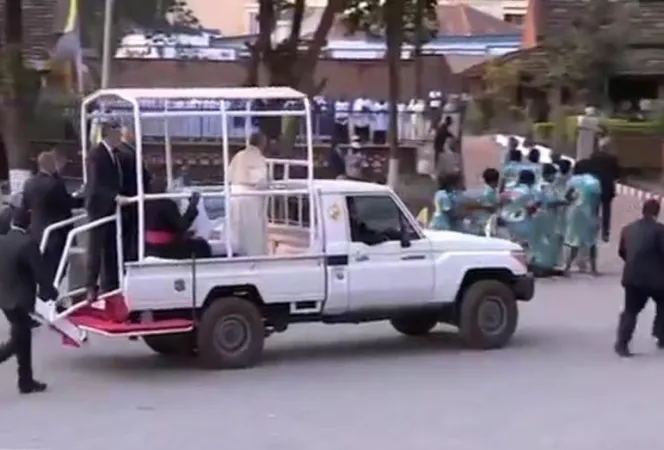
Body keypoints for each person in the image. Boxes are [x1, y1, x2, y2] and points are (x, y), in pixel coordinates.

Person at [0, 205, 58, 394]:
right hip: (21, 301)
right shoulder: (27, 244)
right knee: (19, 339)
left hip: (5, 298)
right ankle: (24, 379)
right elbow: (41, 275)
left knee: (23, 337)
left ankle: (25, 380)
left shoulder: (3, 241)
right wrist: (53, 296)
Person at [84, 120, 127, 303]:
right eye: (117, 135)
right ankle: (90, 287)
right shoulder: (96, 155)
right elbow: (96, 184)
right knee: (95, 249)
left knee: (110, 247)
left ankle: (109, 285)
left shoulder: (115, 154)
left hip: (111, 209)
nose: (120, 138)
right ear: (108, 134)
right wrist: (114, 197)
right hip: (99, 208)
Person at [22, 151, 81, 283]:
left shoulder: (29, 183)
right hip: (56, 234)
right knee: (58, 267)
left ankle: (44, 298)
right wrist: (83, 197)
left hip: (36, 232)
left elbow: (26, 205)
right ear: (51, 164)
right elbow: (67, 203)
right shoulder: (54, 184)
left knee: (42, 268)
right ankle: (50, 299)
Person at [615, 199, 664, 357]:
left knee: (630, 311)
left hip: (632, 277)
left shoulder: (627, 229)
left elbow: (622, 252)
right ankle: (660, 334)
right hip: (656, 279)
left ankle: (622, 344)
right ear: (657, 212)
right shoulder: (660, 230)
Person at [144, 178, 211, 259]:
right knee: (203, 246)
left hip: (148, 248)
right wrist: (192, 206)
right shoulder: (167, 204)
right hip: (165, 250)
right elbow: (182, 225)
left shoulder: (144, 204)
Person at [227, 131, 269, 256]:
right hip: (250, 198)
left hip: (234, 195)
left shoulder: (238, 155)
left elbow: (228, 175)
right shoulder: (259, 158)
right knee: (252, 233)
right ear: (262, 144)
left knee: (236, 229)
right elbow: (261, 181)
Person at [561, 159, 602, 276]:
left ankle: (567, 267)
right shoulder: (595, 182)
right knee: (591, 241)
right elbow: (597, 201)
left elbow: (567, 197)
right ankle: (593, 269)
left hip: (575, 213)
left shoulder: (572, 181)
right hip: (590, 213)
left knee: (574, 240)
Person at [117, 126, 152, 261]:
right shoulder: (127, 152)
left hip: (131, 198)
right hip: (132, 198)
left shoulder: (126, 151)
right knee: (131, 234)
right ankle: (130, 258)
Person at [529, 163, 567, 277]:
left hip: (538, 216)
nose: (554, 177)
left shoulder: (538, 185)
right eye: (553, 175)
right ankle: (545, 266)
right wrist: (565, 202)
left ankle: (537, 263)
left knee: (538, 241)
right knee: (547, 242)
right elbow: (550, 201)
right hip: (546, 216)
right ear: (548, 174)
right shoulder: (545, 186)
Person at [588, 137, 620, 242]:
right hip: (607, 187)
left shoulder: (593, 157)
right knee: (607, 211)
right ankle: (605, 233)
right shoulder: (612, 159)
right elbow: (617, 174)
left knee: (594, 209)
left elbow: (590, 171)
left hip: (595, 185)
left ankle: (592, 230)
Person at [501, 169, 539, 249]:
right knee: (522, 249)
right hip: (524, 224)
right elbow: (531, 208)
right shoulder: (531, 192)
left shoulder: (510, 189)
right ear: (531, 181)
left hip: (509, 224)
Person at [462, 168, 501, 236]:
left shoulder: (477, 191)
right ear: (496, 180)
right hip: (485, 224)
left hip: (478, 224)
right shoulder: (490, 193)